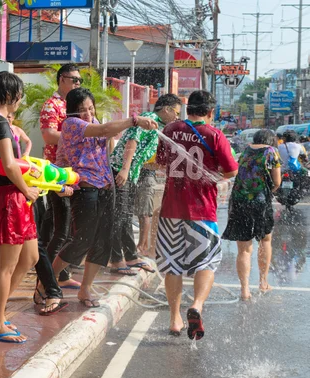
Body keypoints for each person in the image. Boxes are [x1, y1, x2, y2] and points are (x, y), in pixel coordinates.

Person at [52, 88, 158, 308]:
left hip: (105, 187)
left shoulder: (94, 122)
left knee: (102, 242)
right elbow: (107, 128)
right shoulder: (72, 125)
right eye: (81, 110)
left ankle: (86, 289)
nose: (88, 114)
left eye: (90, 108)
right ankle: (48, 281)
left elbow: (108, 136)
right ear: (72, 112)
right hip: (85, 189)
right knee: (82, 240)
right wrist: (135, 120)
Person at [155, 90, 239, 340]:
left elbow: (161, 163)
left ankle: (174, 319)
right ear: (211, 112)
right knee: (207, 262)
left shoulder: (170, 130)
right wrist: (214, 179)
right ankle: (197, 306)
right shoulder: (215, 135)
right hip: (202, 211)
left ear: (186, 107)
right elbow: (231, 171)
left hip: (171, 209)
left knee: (172, 264)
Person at [0, 71, 39, 343]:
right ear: (8, 95)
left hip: (17, 195)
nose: (20, 101)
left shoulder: (0, 122)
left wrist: (29, 178)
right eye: (18, 95)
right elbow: (7, 164)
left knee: (30, 258)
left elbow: (14, 162)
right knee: (6, 264)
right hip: (10, 196)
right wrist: (26, 188)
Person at [108, 94, 182, 275]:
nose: (177, 117)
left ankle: (132, 257)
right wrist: (125, 169)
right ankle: (117, 261)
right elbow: (132, 142)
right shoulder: (149, 119)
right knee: (120, 218)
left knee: (125, 217)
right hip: (119, 170)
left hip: (131, 174)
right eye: (176, 113)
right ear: (166, 109)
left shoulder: (159, 126)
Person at [222, 129, 281, 300]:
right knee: (265, 240)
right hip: (260, 202)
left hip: (239, 201)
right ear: (271, 140)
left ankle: (244, 289)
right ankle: (263, 282)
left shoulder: (246, 150)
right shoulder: (271, 152)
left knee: (244, 248)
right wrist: (269, 192)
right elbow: (276, 181)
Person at [39, 63, 83, 289]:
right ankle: (46, 279)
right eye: (74, 80)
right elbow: (48, 136)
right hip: (56, 172)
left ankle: (61, 275)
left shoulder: (73, 105)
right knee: (62, 230)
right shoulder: (52, 105)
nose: (77, 84)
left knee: (60, 226)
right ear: (61, 80)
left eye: (79, 81)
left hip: (72, 172)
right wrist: (77, 136)